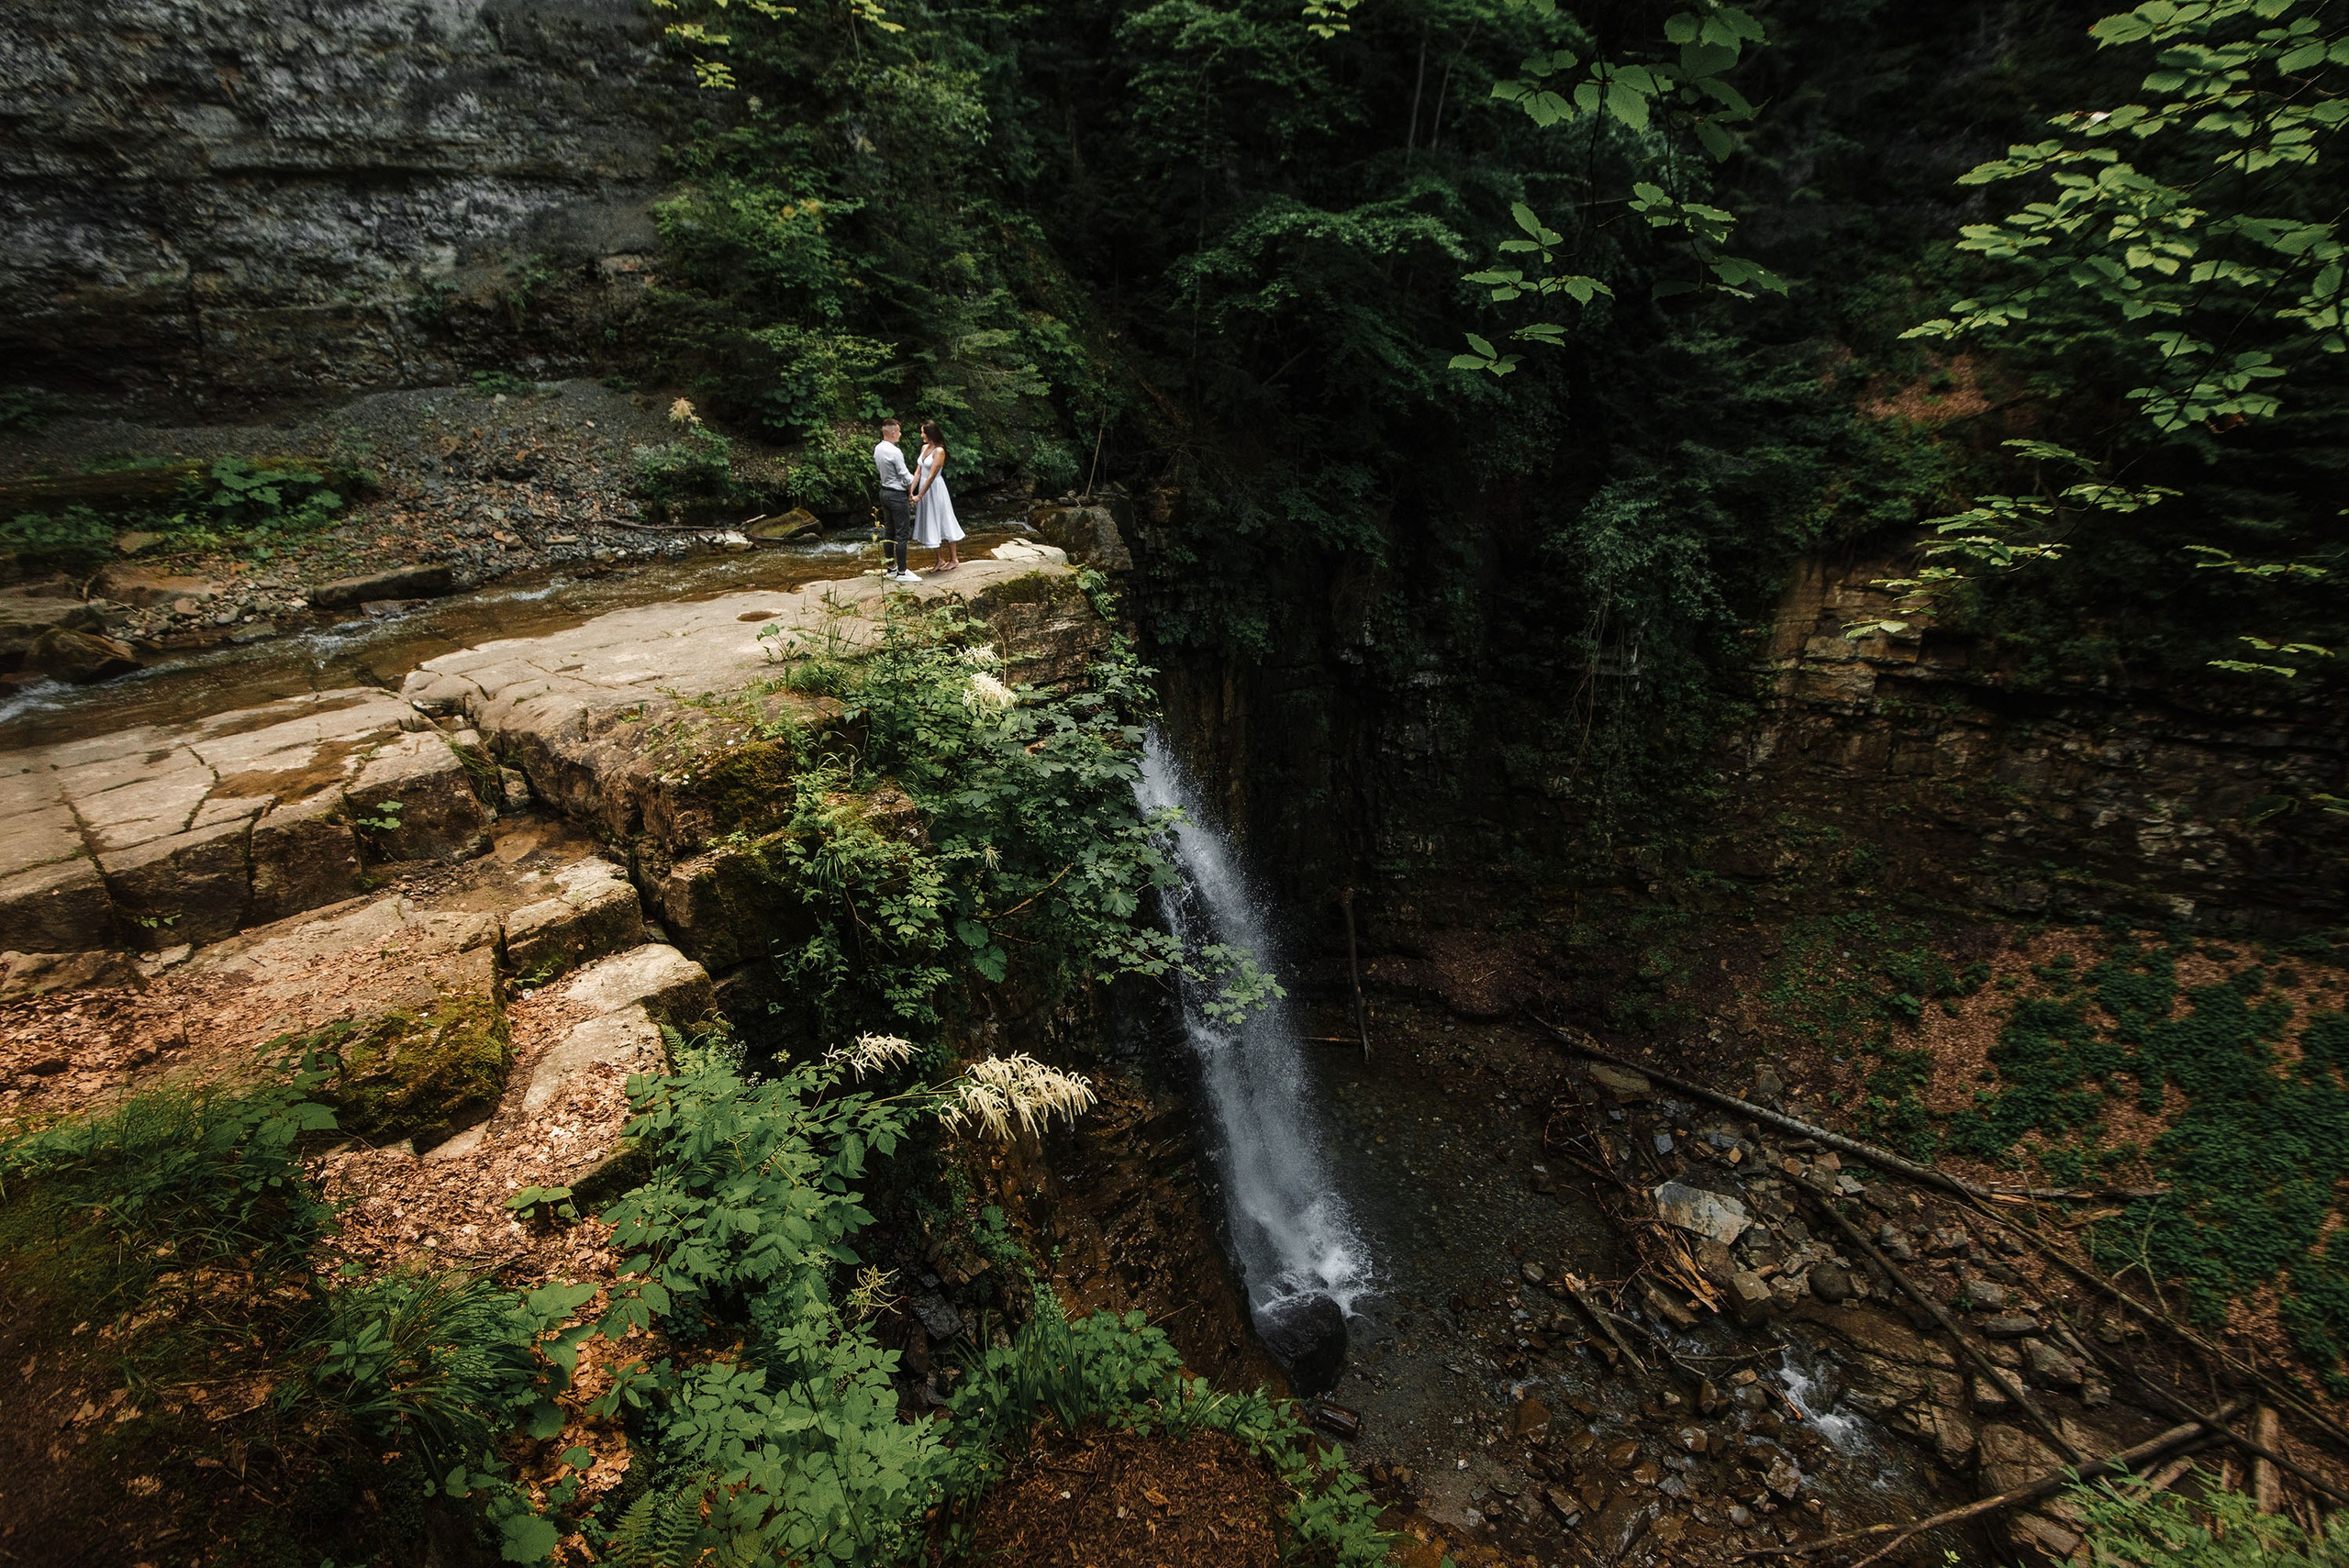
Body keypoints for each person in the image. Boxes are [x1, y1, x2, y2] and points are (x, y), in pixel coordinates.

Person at [911, 419, 964, 571]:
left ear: (930, 433)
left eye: (923, 432)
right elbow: (918, 471)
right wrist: (911, 490)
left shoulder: (939, 451)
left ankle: (954, 559)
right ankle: (939, 560)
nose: (921, 435)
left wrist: (919, 495)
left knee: (944, 519)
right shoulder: (924, 448)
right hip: (923, 487)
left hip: (936, 489)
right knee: (930, 521)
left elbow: (932, 476)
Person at [872, 417, 918, 584]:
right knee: (902, 533)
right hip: (897, 495)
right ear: (892, 433)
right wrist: (916, 481)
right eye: (898, 431)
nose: (900, 434)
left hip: (884, 492)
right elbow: (906, 478)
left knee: (889, 531)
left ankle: (891, 568)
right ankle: (902, 571)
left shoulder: (878, 449)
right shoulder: (894, 451)